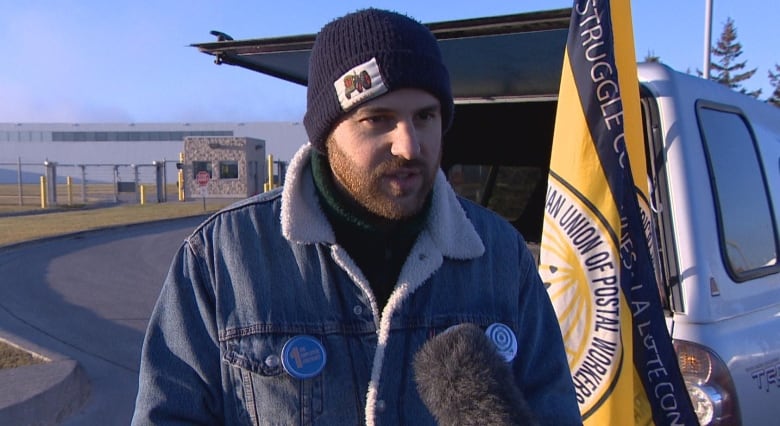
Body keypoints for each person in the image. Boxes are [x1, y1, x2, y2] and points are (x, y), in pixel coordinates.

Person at [132, 8, 581, 425]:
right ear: (327, 134)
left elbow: (554, 409)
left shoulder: (502, 257)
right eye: (378, 119)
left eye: (425, 116)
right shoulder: (220, 257)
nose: (409, 146)